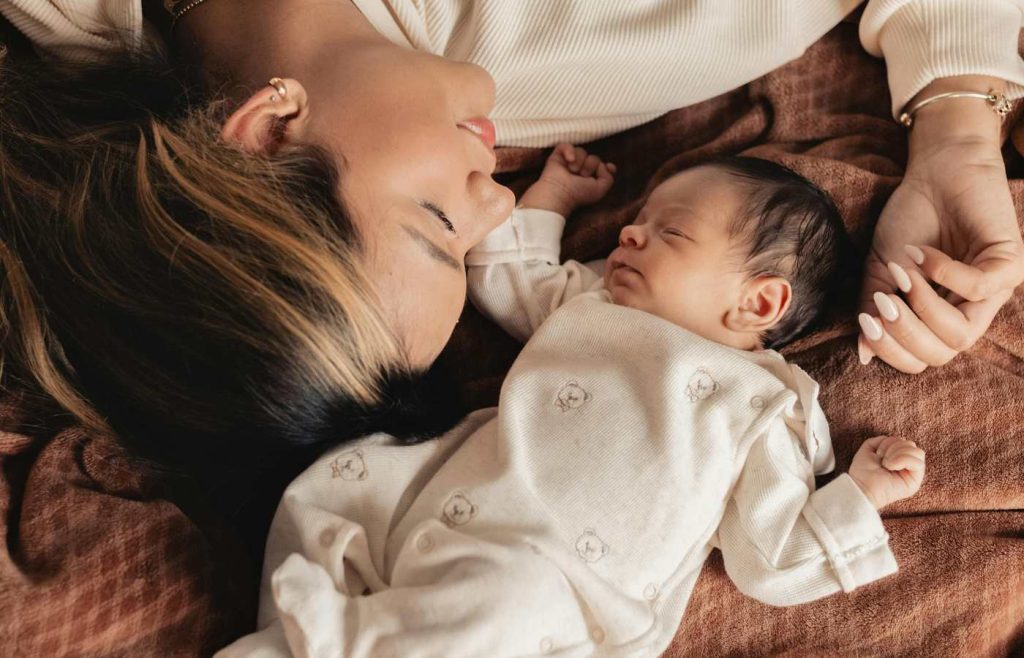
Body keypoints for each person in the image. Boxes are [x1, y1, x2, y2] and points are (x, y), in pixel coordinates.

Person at [0, 0, 1017, 533]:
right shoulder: (599, 37)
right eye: (475, 243)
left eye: (438, 216)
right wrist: (957, 128)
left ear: (269, 127)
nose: (499, 197)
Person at [215, 146, 926, 657]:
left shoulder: (767, 407)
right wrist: (555, 194)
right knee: (330, 491)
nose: (630, 232)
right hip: (457, 501)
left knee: (500, 603)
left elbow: (767, 560)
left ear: (759, 300)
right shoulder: (596, 300)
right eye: (638, 219)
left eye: (671, 231)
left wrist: (859, 493)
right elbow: (506, 275)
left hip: (567, 587)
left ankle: (344, 643)